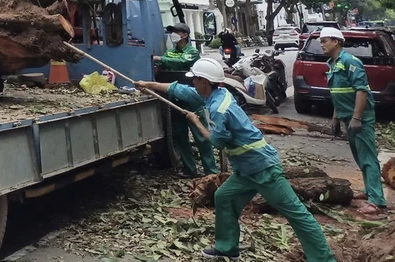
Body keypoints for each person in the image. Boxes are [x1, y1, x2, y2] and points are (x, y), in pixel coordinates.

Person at [136, 58, 336, 262]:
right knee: (224, 197)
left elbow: (216, 142)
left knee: (296, 213)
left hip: (262, 169)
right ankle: (227, 249)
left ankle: (324, 259)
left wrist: (196, 122)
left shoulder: (219, 109)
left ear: (204, 81)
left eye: (195, 79)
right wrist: (147, 84)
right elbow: (180, 90)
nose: (193, 83)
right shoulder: (215, 94)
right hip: (245, 170)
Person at [319, 26, 387, 214]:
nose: (321, 44)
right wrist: (335, 118)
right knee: (359, 156)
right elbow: (337, 93)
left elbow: (361, 90)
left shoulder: (350, 61)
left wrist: (357, 117)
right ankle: (369, 190)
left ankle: (377, 201)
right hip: (347, 116)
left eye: (324, 41)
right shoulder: (332, 64)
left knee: (367, 157)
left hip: (360, 118)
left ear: (336, 41)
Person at [153, 23, 218, 177]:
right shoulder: (170, 51)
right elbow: (163, 62)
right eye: (172, 32)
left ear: (184, 35)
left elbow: (181, 61)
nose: (173, 34)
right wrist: (161, 60)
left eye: (176, 32)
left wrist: (161, 59)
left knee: (201, 136)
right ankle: (190, 170)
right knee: (180, 136)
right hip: (174, 98)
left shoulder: (193, 52)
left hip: (191, 97)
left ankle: (211, 172)